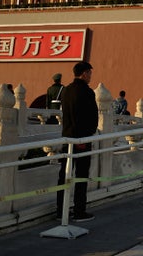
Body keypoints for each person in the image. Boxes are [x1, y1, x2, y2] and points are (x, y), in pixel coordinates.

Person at [56, 61, 99, 222]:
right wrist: (88, 135)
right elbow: (91, 117)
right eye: (90, 73)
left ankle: (60, 210)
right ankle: (79, 211)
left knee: (64, 175)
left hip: (67, 138)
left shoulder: (66, 90)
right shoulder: (86, 92)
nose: (90, 77)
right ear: (84, 73)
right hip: (81, 139)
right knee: (81, 176)